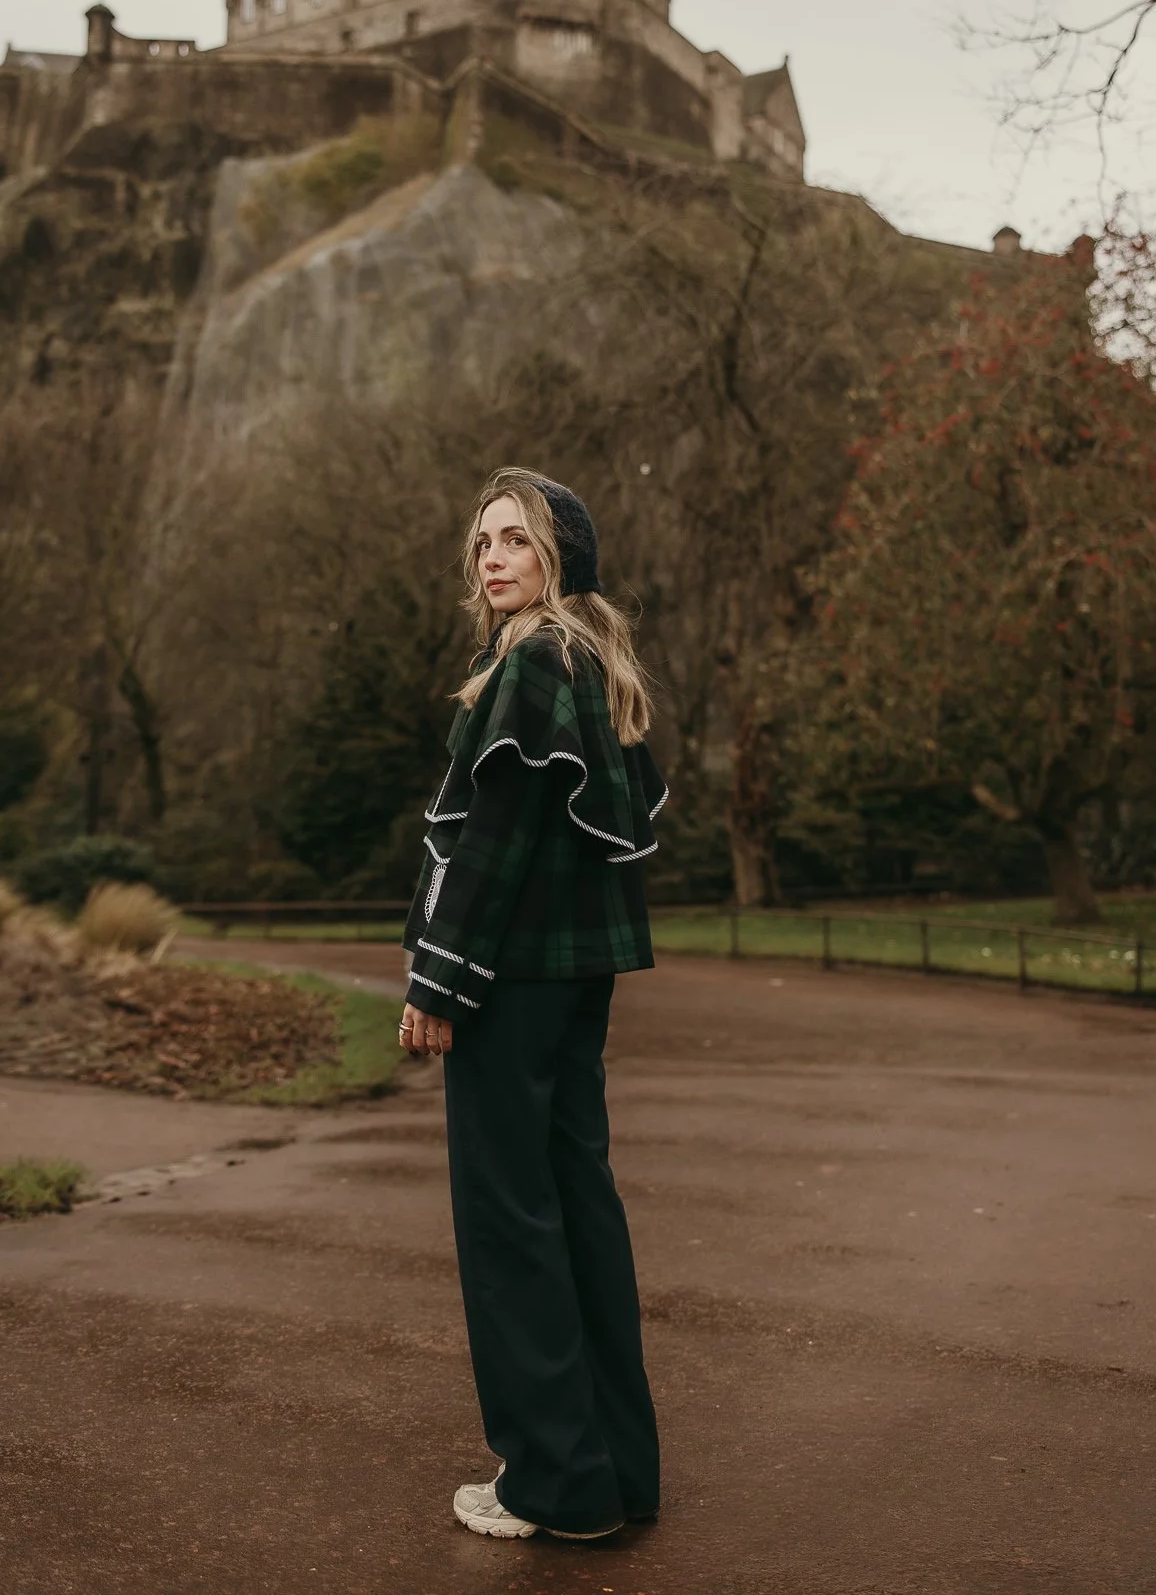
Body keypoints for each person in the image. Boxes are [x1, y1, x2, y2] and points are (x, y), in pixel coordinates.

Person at [399, 466, 666, 1543]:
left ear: (561, 553)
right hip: (573, 987)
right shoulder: (593, 660)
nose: (492, 557)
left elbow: (493, 847)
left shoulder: (530, 665)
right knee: (577, 1205)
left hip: (508, 984)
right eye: (481, 542)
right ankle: (615, 1471)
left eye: (514, 538)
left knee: (509, 1221)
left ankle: (553, 1479)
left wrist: (436, 980)